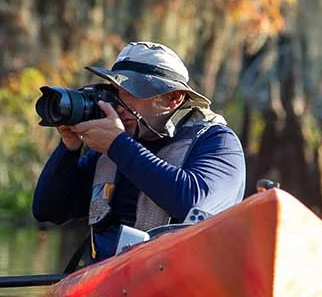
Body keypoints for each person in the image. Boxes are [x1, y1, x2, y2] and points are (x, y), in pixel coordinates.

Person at [32, 41, 247, 267]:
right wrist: (69, 148)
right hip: (108, 285)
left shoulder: (217, 141)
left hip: (183, 278)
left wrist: (118, 145)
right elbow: (48, 210)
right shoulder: (113, 149)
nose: (117, 104)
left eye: (130, 92)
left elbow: (197, 203)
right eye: (114, 91)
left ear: (173, 98)